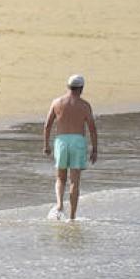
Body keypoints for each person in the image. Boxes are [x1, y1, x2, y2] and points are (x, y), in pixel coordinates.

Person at [43, 75, 98, 221]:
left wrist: (46, 145)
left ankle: (60, 205)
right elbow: (92, 128)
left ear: (68, 86)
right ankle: (72, 218)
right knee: (74, 181)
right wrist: (95, 149)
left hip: (61, 141)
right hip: (78, 141)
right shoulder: (85, 105)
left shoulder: (57, 102)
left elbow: (47, 125)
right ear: (81, 88)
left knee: (60, 178)